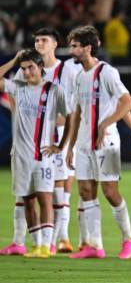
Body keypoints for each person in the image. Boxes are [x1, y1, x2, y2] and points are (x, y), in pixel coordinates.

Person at [0, 28, 77, 256]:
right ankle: (35, 244)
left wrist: (61, 146)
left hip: (44, 155)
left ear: (40, 68)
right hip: (21, 155)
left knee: (46, 197)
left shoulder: (54, 90)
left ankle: (47, 244)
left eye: (30, 68)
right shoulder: (18, 87)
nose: (26, 73)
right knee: (27, 200)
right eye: (23, 69)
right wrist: (14, 59)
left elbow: (70, 117)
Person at [65, 25, 131, 259]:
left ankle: (128, 239)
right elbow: (77, 113)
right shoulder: (79, 76)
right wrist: (70, 145)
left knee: (109, 191)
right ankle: (94, 246)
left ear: (87, 48)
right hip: (84, 143)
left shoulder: (107, 72)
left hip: (107, 142)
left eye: (75, 46)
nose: (71, 50)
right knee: (86, 190)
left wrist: (105, 124)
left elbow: (128, 102)